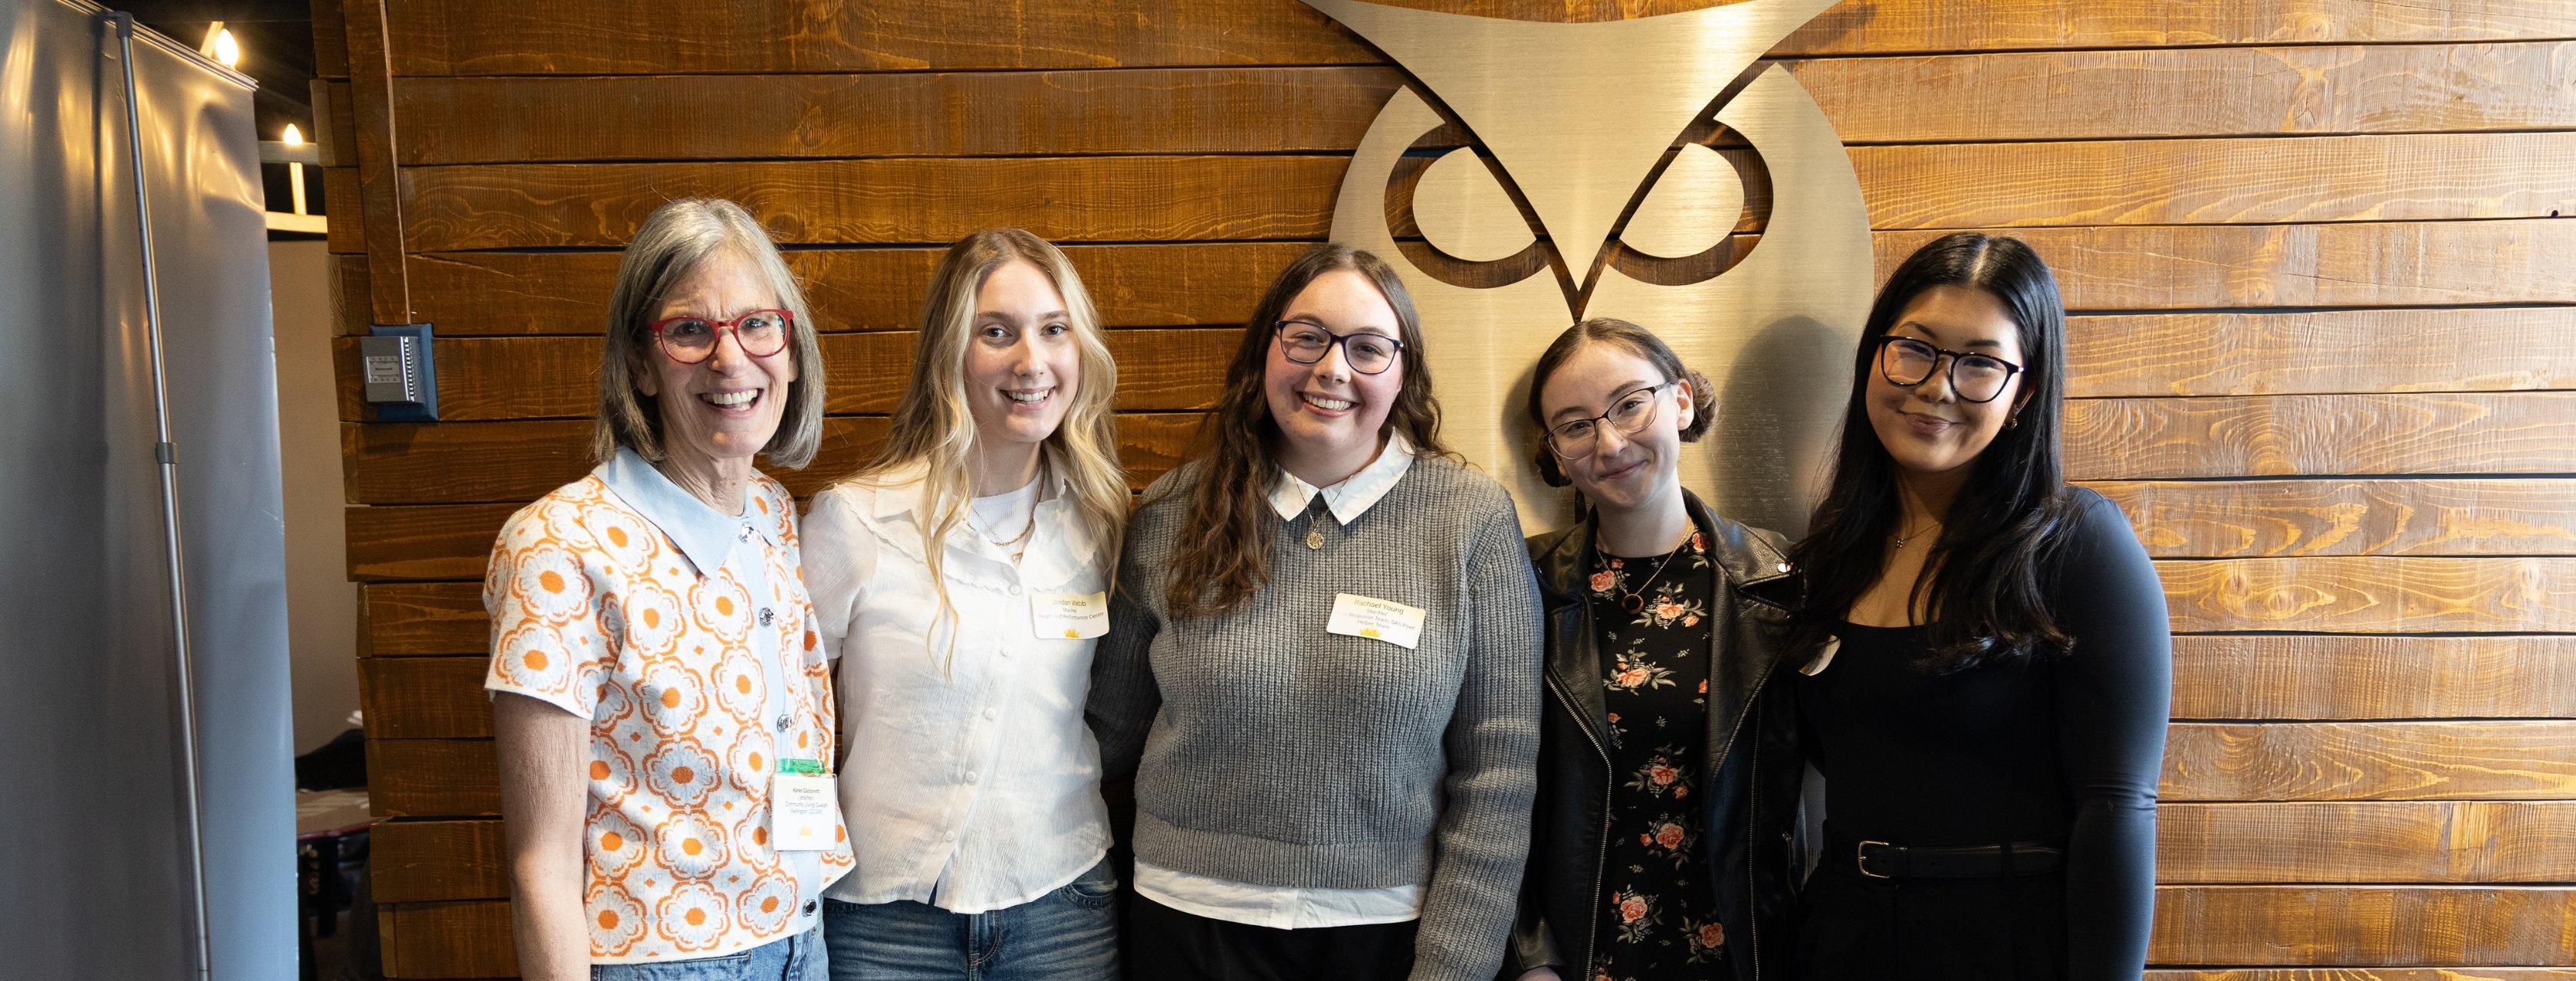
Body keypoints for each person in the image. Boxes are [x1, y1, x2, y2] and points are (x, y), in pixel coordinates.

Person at [1086, 244, 1542, 981]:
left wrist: (1456, 967)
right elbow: (1104, 734)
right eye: (1307, 337)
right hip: (1185, 927)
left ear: (1404, 372)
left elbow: (1499, 777)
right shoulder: (1174, 511)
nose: (1332, 369)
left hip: (1386, 933)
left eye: (1368, 349)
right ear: (1267, 349)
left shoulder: (1469, 520)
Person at [1785, 232, 2170, 979]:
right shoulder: (1830, 553)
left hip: (2005, 942)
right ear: (1875, 355)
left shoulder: (2075, 543)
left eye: (1980, 363)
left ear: (2024, 392)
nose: (1936, 386)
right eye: (1916, 349)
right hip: (1842, 936)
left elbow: (2118, 807)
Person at [484, 197, 849, 981]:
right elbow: (539, 865)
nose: (731, 358)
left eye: (757, 324)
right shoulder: (557, 545)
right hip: (664, 962)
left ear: (789, 347)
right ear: (640, 364)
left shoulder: (774, 513)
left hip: (803, 939)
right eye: (690, 330)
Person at [801, 228, 1129, 979]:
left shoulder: (1099, 521)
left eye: (1054, 330)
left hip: (1063, 904)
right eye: (996, 332)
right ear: (951, 351)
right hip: (884, 919)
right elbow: (782, 719)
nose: (1031, 360)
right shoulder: (855, 520)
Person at [1505, 319, 1805, 981]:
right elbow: (1488, 786)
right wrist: (1530, 957)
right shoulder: (1522, 587)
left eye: (1629, 404)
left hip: (1743, 952)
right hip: (1581, 957)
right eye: (1576, 425)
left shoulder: (1778, 582)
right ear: (1555, 453)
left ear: (1681, 400)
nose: (1610, 442)